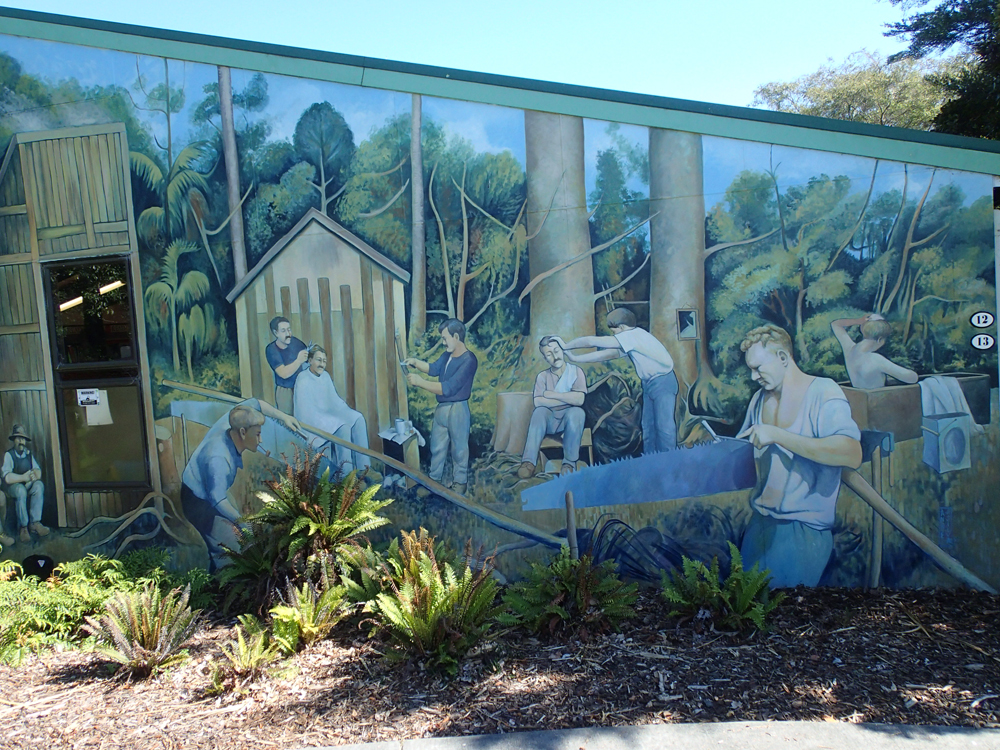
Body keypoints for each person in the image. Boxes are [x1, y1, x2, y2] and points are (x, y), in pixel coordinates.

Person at [736, 324, 862, 588]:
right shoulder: (759, 399)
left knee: (784, 609)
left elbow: (851, 452)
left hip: (804, 529)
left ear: (783, 358)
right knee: (745, 606)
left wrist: (777, 435)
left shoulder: (823, 392)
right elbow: (742, 452)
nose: (753, 376)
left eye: (758, 368)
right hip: (760, 525)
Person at [181, 399, 300, 568]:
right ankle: (220, 578)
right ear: (243, 433)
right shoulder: (218, 458)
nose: (260, 440)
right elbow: (218, 500)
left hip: (214, 491)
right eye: (257, 434)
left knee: (239, 532)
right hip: (198, 501)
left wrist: (284, 417)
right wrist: (243, 523)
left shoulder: (235, 421)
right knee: (231, 547)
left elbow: (257, 403)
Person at [557, 308, 677, 454]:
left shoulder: (633, 335)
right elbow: (607, 355)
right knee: (648, 427)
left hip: (663, 382)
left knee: (664, 428)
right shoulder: (632, 339)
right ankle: (651, 461)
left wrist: (566, 346)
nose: (614, 335)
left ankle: (670, 461)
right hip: (649, 384)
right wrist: (575, 358)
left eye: (614, 332)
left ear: (622, 327)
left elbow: (591, 341)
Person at [404, 319, 478, 494]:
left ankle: (459, 483)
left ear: (456, 336)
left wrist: (420, 382)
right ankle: (434, 482)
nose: (443, 342)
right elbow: (433, 368)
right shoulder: (447, 355)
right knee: (437, 447)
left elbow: (449, 387)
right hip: (442, 409)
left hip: (458, 409)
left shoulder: (469, 360)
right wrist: (415, 362)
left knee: (459, 449)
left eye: (445, 338)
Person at [517, 336, 587, 479]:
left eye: (556, 351)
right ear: (545, 358)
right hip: (550, 421)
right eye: (549, 354)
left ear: (562, 350)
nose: (555, 357)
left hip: (569, 420)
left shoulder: (575, 372)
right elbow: (538, 402)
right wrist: (567, 398)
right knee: (539, 412)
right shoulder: (542, 376)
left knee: (577, 412)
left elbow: (579, 399)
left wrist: (552, 395)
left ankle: (569, 463)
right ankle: (528, 463)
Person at [294, 346, 371, 474]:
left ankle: (364, 469)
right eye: (318, 360)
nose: (322, 364)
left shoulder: (325, 376)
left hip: (329, 415)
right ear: (310, 360)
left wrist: (345, 414)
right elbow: (305, 411)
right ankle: (347, 475)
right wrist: (334, 420)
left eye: (324, 361)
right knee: (343, 428)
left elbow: (334, 402)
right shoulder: (303, 378)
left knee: (358, 419)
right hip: (314, 420)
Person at [831, 313, 918, 389]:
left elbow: (835, 324)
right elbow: (912, 378)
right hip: (876, 400)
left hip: (858, 399)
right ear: (879, 339)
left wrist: (859, 321)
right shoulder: (875, 359)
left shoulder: (849, 349)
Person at [1, 424, 48, 545]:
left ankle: (35, 523)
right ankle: (23, 527)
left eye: (23, 439)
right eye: (18, 438)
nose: (21, 441)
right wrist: (23, 477)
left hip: (26, 485)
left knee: (38, 486)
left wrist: (34, 475)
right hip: (12, 488)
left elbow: (37, 470)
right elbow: (7, 477)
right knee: (20, 490)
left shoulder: (28, 454)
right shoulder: (9, 455)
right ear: (14, 440)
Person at [264, 317, 308, 414]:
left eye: (289, 329)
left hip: (301, 387)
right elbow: (283, 373)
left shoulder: (296, 342)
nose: (288, 334)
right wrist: (298, 361)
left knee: (303, 417)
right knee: (287, 419)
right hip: (285, 390)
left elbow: (308, 358)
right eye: (283, 331)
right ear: (276, 333)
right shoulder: (271, 350)